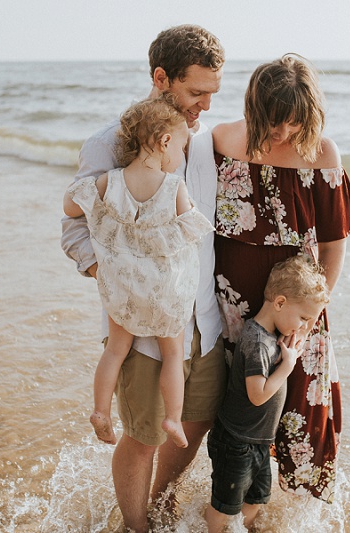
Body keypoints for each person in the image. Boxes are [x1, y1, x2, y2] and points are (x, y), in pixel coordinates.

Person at [60, 25, 226, 532]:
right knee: (143, 435)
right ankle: (136, 526)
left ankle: (161, 502)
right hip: (141, 321)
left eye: (212, 94)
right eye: (196, 93)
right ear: (161, 78)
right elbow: (72, 228)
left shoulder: (203, 143)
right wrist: (115, 278)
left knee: (193, 422)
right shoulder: (109, 144)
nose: (204, 107)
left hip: (203, 314)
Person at [211, 54, 350, 504]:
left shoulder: (322, 153)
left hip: (298, 310)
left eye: (293, 123)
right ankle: (236, 504)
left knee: (305, 414)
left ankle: (299, 513)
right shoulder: (222, 140)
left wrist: (314, 313)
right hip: (233, 310)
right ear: (254, 108)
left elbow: (335, 245)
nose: (281, 134)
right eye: (272, 123)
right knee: (240, 414)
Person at [63, 94, 213, 449]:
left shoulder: (109, 182)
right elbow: (192, 226)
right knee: (173, 354)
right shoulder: (174, 186)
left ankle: (100, 411)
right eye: (180, 146)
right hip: (164, 294)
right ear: (164, 142)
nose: (180, 155)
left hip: (122, 288)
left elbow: (71, 207)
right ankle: (173, 419)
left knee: (115, 350)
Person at [205, 254, 329, 532]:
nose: (305, 327)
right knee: (224, 508)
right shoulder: (258, 341)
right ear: (280, 303)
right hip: (236, 442)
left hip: (258, 441)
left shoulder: (272, 336)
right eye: (304, 318)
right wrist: (287, 365)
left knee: (257, 500)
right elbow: (258, 395)